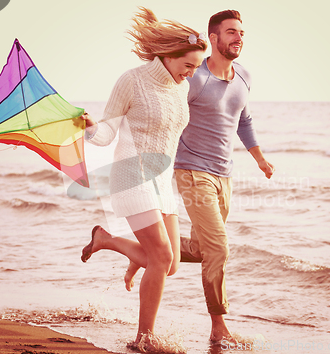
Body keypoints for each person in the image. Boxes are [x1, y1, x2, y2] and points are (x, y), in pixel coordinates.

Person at [123, 9, 275, 344]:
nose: (238, 38)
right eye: (231, 32)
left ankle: (137, 252)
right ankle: (218, 327)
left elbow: (244, 121)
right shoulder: (194, 78)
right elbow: (168, 116)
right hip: (192, 172)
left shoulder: (244, 77)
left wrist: (260, 159)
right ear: (215, 38)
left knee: (204, 249)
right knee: (219, 247)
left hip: (225, 175)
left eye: (242, 33)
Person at [79, 7, 207, 349]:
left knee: (172, 265)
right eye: (188, 66)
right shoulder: (132, 80)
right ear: (168, 55)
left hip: (162, 183)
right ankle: (143, 338)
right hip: (131, 175)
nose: (191, 74)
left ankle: (106, 240)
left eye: (196, 68)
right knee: (161, 258)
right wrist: (90, 127)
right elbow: (107, 135)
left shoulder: (180, 89)